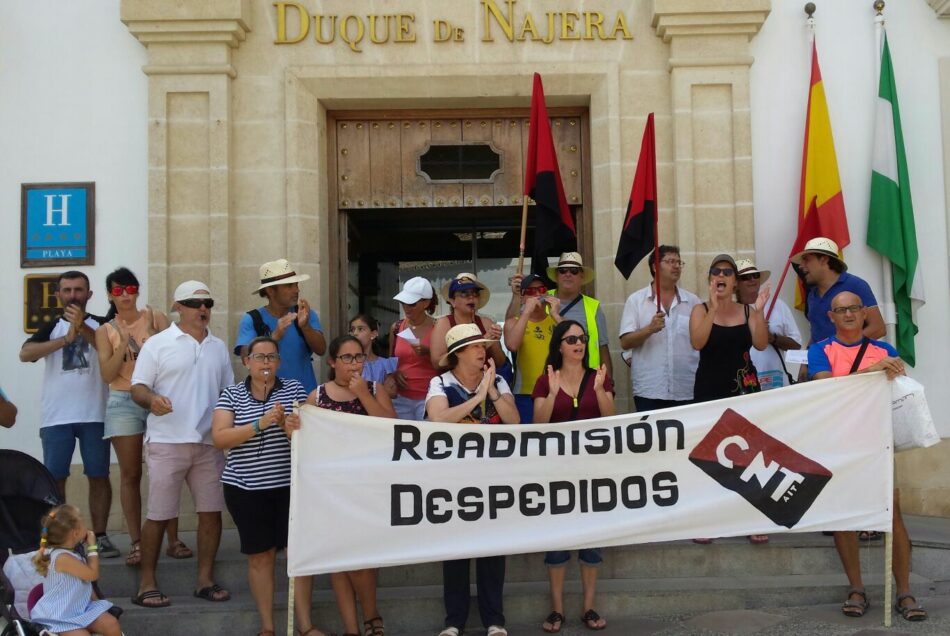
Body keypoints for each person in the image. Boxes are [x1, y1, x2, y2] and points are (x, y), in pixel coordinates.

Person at [808, 291, 927, 622]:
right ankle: (856, 588)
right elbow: (825, 387)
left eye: (853, 309)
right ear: (830, 317)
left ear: (864, 315)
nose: (847, 314)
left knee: (893, 516)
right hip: (838, 443)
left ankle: (905, 591)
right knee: (844, 517)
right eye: (840, 310)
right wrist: (873, 372)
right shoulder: (819, 350)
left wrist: (890, 372)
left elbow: (897, 392)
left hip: (878, 442)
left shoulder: (885, 350)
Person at [130, 280, 234, 608]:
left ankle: (204, 580)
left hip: (207, 443)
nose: (202, 309)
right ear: (178, 306)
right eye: (193, 303)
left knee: (211, 513)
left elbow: (228, 395)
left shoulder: (218, 346)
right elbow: (137, 388)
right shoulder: (158, 344)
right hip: (166, 440)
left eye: (207, 303)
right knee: (159, 515)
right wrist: (152, 400)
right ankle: (146, 583)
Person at [212, 336, 324, 636]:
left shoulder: (294, 390)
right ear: (246, 362)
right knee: (261, 556)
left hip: (290, 487)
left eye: (271, 357)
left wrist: (290, 429)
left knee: (297, 554)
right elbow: (220, 438)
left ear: (279, 362)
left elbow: (310, 438)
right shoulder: (231, 395)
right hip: (245, 490)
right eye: (259, 357)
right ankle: (268, 627)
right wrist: (259, 424)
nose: (265, 363)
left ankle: (305, 625)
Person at [298, 335, 396, 636]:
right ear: (332, 362)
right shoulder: (317, 396)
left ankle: (371, 616)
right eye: (347, 358)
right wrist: (292, 429)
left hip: (367, 486)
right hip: (331, 489)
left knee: (361, 558)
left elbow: (393, 428)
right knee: (338, 561)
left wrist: (363, 396)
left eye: (359, 357)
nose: (354, 364)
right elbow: (306, 441)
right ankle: (353, 629)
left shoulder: (375, 389)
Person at [93, 267, 191, 567]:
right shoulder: (104, 330)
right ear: (110, 294)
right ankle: (137, 542)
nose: (126, 295)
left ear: (138, 289)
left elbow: (173, 356)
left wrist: (153, 332)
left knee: (168, 469)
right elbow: (107, 375)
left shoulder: (156, 317)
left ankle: (173, 540)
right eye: (118, 290)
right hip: (123, 400)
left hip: (157, 396)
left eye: (131, 288)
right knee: (131, 474)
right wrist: (122, 341)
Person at [426, 323, 519, 636]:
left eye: (483, 346)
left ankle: (495, 620)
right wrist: (476, 397)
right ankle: (454, 622)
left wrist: (490, 390)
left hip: (492, 480)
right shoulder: (440, 383)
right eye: (476, 346)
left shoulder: (499, 380)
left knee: (493, 550)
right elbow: (438, 419)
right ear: (459, 354)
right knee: (455, 550)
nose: (483, 351)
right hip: (453, 481)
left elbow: (514, 420)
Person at [18, 271, 118, 558]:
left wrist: (82, 329)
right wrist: (65, 339)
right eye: (67, 290)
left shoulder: (101, 325)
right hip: (56, 417)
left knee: (98, 475)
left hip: (95, 413)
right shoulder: (50, 327)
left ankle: (99, 537)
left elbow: (109, 349)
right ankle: (61, 540)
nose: (73, 295)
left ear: (89, 294)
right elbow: (25, 354)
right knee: (55, 479)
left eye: (78, 290)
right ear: (59, 294)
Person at [532, 320, 614, 632]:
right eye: (572, 339)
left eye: (583, 338)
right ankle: (556, 610)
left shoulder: (598, 377)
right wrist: (552, 394)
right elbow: (539, 424)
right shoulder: (545, 380)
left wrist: (599, 391)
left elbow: (611, 420)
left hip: (593, 472)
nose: (579, 343)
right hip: (557, 473)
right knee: (558, 541)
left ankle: (589, 607)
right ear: (560, 346)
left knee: (591, 540)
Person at [618, 245, 701, 411]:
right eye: (670, 261)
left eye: (679, 262)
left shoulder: (693, 302)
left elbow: (700, 341)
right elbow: (625, 342)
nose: (676, 266)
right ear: (655, 266)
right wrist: (649, 329)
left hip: (686, 388)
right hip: (649, 391)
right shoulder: (636, 300)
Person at [235, 259, 326, 393]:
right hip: (266, 399)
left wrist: (305, 327)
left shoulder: (305, 314)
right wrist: (274, 337)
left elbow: (321, 349)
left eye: (296, 284)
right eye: (289, 286)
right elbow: (245, 356)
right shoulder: (252, 319)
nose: (297, 290)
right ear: (271, 291)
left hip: (304, 397)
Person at [30, 504, 122, 636]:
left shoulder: (73, 553)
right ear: (76, 532)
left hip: (79, 609)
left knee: (111, 624)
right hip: (60, 616)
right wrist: (92, 547)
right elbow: (92, 575)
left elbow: (85, 584)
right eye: (83, 522)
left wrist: (97, 604)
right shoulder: (62, 558)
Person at [690, 254, 770, 402]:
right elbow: (697, 343)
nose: (721, 274)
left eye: (727, 272)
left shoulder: (747, 311)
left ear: (734, 283)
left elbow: (761, 344)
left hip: (745, 387)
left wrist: (759, 312)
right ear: (710, 280)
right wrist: (713, 309)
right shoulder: (700, 310)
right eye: (715, 271)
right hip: (710, 388)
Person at [792, 237, 885, 345]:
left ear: (823, 260)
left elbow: (878, 328)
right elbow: (816, 334)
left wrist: (842, 350)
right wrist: (807, 359)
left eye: (806, 260)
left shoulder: (856, 285)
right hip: (820, 361)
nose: (801, 266)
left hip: (851, 361)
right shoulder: (812, 294)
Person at [734, 259, 801, 391]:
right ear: (736, 284)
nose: (752, 279)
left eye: (756, 275)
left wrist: (772, 338)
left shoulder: (778, 305)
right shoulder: (730, 311)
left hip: (777, 382)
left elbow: (796, 344)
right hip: (743, 383)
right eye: (746, 277)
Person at [503, 274, 561, 423]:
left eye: (541, 290)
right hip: (525, 394)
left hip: (556, 391)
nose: (537, 294)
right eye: (530, 291)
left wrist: (555, 313)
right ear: (522, 298)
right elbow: (512, 345)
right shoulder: (513, 322)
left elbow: (575, 341)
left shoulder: (558, 320)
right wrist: (526, 312)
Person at [544, 253, 612, 378]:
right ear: (556, 276)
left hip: (586, 381)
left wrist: (609, 383)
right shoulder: (542, 300)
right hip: (548, 378)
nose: (568, 274)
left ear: (581, 276)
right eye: (563, 270)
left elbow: (603, 347)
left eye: (574, 271)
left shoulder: (594, 307)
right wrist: (516, 297)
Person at [430, 273, 507, 372]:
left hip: (485, 382)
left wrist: (494, 341)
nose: (471, 297)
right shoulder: (444, 324)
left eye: (475, 293)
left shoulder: (486, 323)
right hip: (454, 384)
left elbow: (500, 362)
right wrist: (483, 342)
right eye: (464, 294)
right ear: (453, 301)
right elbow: (437, 363)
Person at [388, 277, 439, 420]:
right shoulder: (396, 327)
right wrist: (395, 373)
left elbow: (448, 361)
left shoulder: (439, 327)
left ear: (426, 303)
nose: (406, 307)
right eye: (403, 303)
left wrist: (429, 352)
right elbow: (391, 361)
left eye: (412, 303)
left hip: (430, 398)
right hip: (400, 397)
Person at [350, 313, 398, 398]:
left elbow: (392, 393)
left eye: (360, 329)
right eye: (352, 330)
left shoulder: (385, 365)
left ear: (373, 334)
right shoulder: (347, 363)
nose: (355, 333)